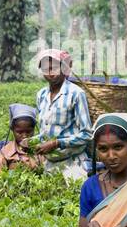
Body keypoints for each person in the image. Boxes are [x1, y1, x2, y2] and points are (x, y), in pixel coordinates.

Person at [33, 48, 92, 180]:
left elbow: (87, 134)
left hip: (73, 165)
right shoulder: (41, 95)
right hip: (49, 165)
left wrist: (56, 143)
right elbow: (45, 132)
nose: (50, 72)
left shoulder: (76, 94)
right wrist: (32, 142)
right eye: (45, 68)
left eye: (54, 67)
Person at [0, 104, 43, 172]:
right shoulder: (5, 152)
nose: (24, 136)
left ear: (34, 129)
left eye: (28, 132)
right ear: (12, 130)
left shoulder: (41, 149)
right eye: (19, 132)